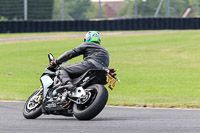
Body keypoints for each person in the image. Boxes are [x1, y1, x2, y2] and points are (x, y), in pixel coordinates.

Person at [50, 31, 109, 99]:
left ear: (87, 38)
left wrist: (56, 61)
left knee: (61, 70)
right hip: (102, 70)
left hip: (90, 65)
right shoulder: (105, 50)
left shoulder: (88, 44)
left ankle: (68, 84)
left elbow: (72, 52)